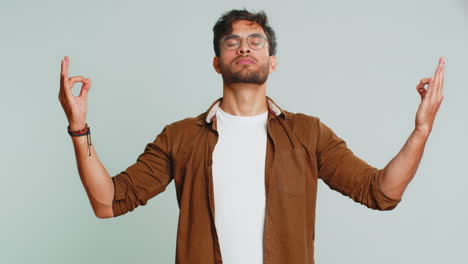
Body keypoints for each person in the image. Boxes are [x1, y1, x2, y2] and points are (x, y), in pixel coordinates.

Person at [58, 8, 445, 264]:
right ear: (217, 62)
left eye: (256, 40)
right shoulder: (180, 138)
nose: (244, 45)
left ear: (272, 61)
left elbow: (381, 192)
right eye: (232, 41)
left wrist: (421, 130)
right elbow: (108, 203)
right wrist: (79, 128)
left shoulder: (307, 133)